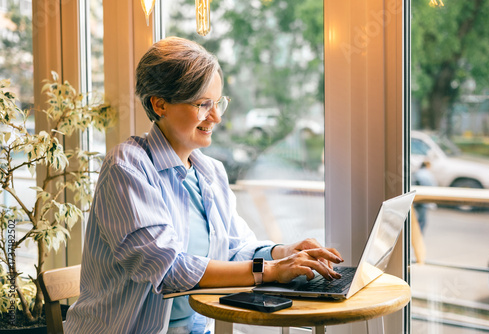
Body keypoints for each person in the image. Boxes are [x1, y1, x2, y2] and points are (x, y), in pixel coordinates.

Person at [64, 36, 343, 334]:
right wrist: (271, 271)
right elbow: (168, 270)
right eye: (202, 105)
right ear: (160, 105)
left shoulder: (210, 172)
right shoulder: (127, 167)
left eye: (218, 102)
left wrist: (283, 252)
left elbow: (235, 251)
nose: (217, 117)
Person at [412, 160, 437, 232]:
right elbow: (433, 186)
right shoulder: (428, 175)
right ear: (428, 166)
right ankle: (418, 236)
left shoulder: (416, 173)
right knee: (422, 220)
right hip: (423, 200)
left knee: (415, 218)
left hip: (415, 198)